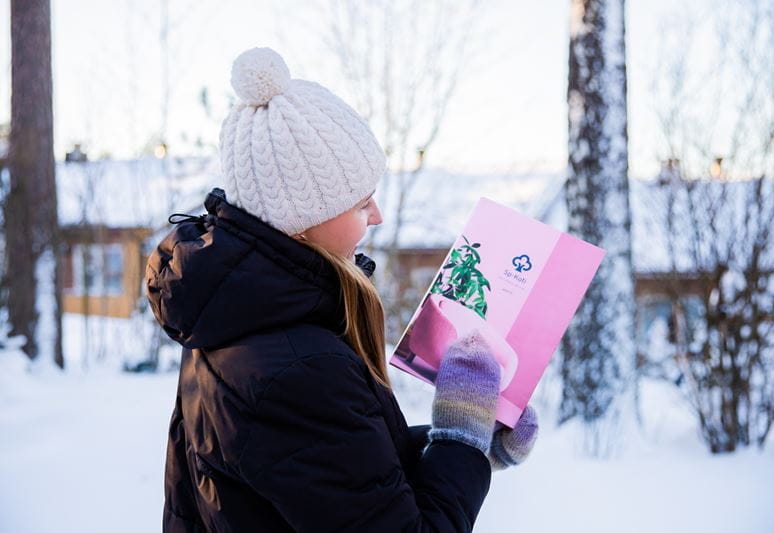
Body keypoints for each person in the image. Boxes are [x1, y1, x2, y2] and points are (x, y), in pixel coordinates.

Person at [145, 47, 539, 533]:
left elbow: (329, 470)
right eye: (360, 204)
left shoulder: (241, 319)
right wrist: (460, 443)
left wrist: (467, 445)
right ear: (299, 223)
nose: (377, 216)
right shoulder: (294, 368)